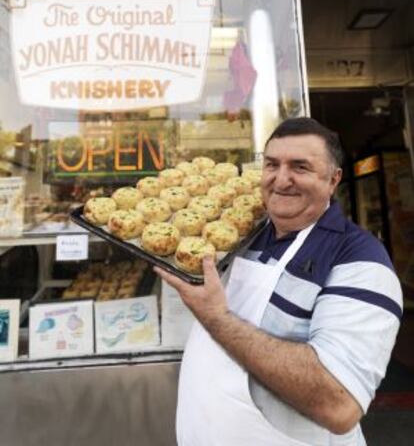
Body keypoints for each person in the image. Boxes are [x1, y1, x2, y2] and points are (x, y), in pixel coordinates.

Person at [155, 117, 402, 446]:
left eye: (300, 167)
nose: (281, 180)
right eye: (272, 165)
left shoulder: (359, 259)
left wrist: (216, 318)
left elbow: (338, 404)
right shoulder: (242, 236)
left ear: (333, 179)